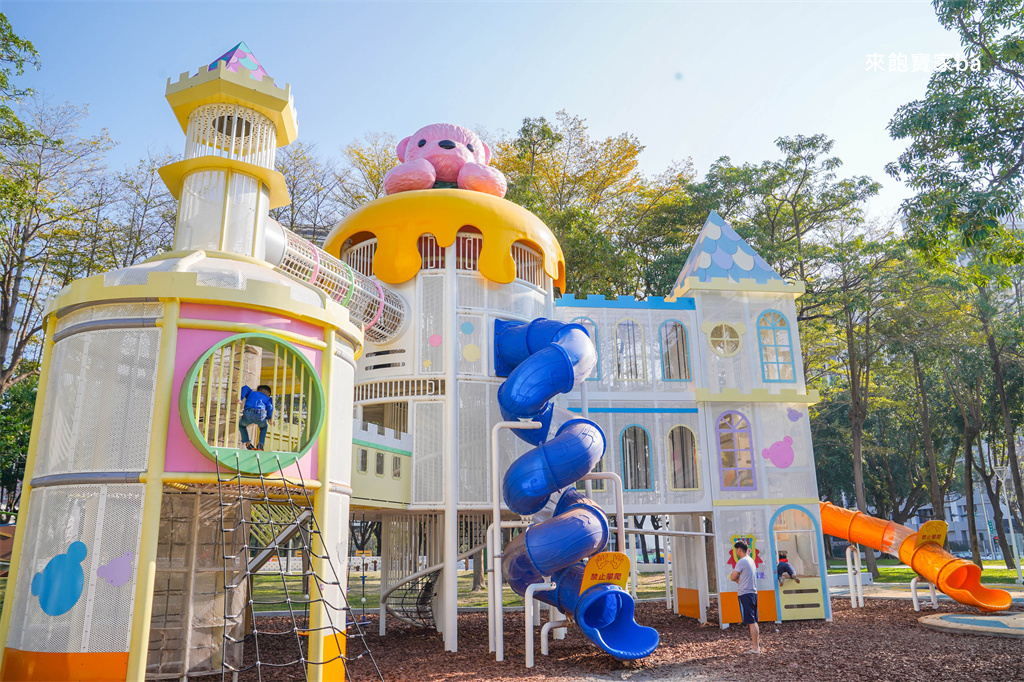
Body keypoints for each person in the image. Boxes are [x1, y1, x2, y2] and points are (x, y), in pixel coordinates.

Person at [728, 540, 760, 654]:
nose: (736, 552)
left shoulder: (741, 562)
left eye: (736, 550)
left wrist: (735, 576)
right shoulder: (751, 561)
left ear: (739, 550)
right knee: (754, 620)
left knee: (751, 621)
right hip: (753, 593)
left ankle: (755, 648)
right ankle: (756, 646)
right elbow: (743, 579)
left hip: (745, 594)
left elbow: (732, 577)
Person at [239, 384, 274, 451]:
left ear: (258, 390)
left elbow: (245, 387)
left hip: (248, 413)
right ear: (268, 393)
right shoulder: (268, 398)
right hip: (260, 415)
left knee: (242, 426)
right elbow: (270, 407)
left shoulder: (251, 392)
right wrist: (269, 418)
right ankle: (260, 445)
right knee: (263, 427)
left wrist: (240, 398)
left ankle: (248, 443)